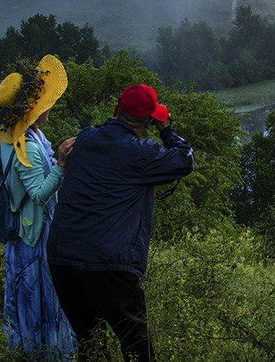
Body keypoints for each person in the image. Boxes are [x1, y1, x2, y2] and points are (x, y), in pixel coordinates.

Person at [47, 83, 194, 362]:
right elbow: (184, 161)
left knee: (89, 341)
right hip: (108, 262)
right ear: (150, 120)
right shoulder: (143, 152)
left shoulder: (86, 138)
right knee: (135, 343)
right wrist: (167, 129)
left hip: (62, 256)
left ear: (116, 107)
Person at [0, 54, 77, 361]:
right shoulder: (25, 143)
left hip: (35, 231)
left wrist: (58, 162)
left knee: (38, 298)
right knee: (36, 299)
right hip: (33, 237)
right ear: (32, 110)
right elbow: (39, 194)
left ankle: (40, 351)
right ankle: (42, 354)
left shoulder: (30, 136)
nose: (49, 105)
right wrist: (63, 163)